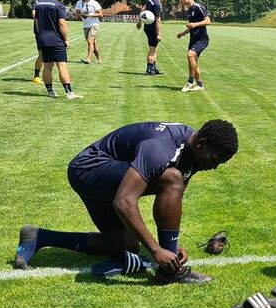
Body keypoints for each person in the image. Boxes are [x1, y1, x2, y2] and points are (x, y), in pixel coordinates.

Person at [14, 120, 239, 284]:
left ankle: (38, 237)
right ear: (201, 143)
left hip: (102, 176)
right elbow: (124, 201)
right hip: (88, 169)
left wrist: (169, 244)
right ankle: (170, 272)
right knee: (172, 178)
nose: (214, 166)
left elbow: (173, 197)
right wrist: (156, 250)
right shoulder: (161, 148)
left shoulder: (193, 154)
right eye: (215, 159)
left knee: (127, 246)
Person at [34, 0, 80, 99]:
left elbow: (37, 22)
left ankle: (50, 91)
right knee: (62, 66)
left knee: (47, 66)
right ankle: (69, 93)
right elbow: (62, 24)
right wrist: (65, 39)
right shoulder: (59, 5)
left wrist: (41, 36)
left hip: (43, 39)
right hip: (56, 40)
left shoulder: (39, 4)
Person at [175, 0, 211, 92]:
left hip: (202, 39)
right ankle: (199, 85)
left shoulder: (198, 7)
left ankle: (190, 81)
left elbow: (208, 21)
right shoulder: (189, 10)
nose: (180, 1)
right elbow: (192, 27)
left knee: (190, 55)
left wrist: (195, 24)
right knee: (193, 62)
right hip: (193, 38)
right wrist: (183, 33)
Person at [136, 0, 169, 75]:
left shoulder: (150, 0)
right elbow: (158, 20)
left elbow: (142, 10)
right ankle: (149, 69)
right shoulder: (158, 4)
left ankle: (153, 67)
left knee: (155, 48)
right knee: (152, 49)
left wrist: (140, 21)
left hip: (147, 28)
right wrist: (159, 33)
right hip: (153, 29)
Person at [74, 0, 103, 64]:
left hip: (94, 24)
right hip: (86, 25)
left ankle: (88, 59)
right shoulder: (79, 3)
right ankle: (99, 58)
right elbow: (77, 16)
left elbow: (100, 14)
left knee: (90, 41)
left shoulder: (94, 3)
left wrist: (89, 15)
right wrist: (80, 15)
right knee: (92, 43)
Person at [30, 0, 47, 84]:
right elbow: (34, 14)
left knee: (50, 55)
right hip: (40, 30)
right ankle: (36, 76)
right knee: (42, 54)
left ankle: (46, 75)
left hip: (51, 30)